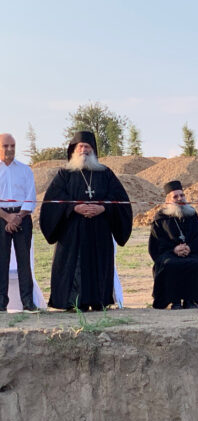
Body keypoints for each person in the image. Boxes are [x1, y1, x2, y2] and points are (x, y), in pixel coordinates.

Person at [39, 131, 132, 311]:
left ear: (94, 150)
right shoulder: (64, 174)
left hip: (99, 229)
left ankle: (98, 301)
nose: (84, 150)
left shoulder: (105, 173)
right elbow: (54, 199)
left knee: (98, 264)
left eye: (87, 146)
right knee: (74, 266)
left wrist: (103, 207)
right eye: (80, 146)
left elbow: (119, 198)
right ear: (73, 150)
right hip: (72, 231)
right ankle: (73, 303)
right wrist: (74, 207)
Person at [148, 181, 198, 309]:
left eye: (182, 195)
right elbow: (157, 241)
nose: (180, 198)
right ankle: (174, 301)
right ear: (168, 200)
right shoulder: (161, 218)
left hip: (190, 253)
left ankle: (190, 300)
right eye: (175, 196)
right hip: (168, 253)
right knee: (170, 264)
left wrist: (189, 247)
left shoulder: (192, 215)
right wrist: (174, 249)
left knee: (195, 263)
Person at [0, 134, 37, 311]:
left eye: (12, 146)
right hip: (1, 218)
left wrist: (18, 217)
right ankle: (1, 302)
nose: (10, 149)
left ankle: (28, 301)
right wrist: (7, 217)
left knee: (24, 261)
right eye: (5, 146)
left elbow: (31, 197)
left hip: (22, 217)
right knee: (1, 260)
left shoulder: (25, 170)